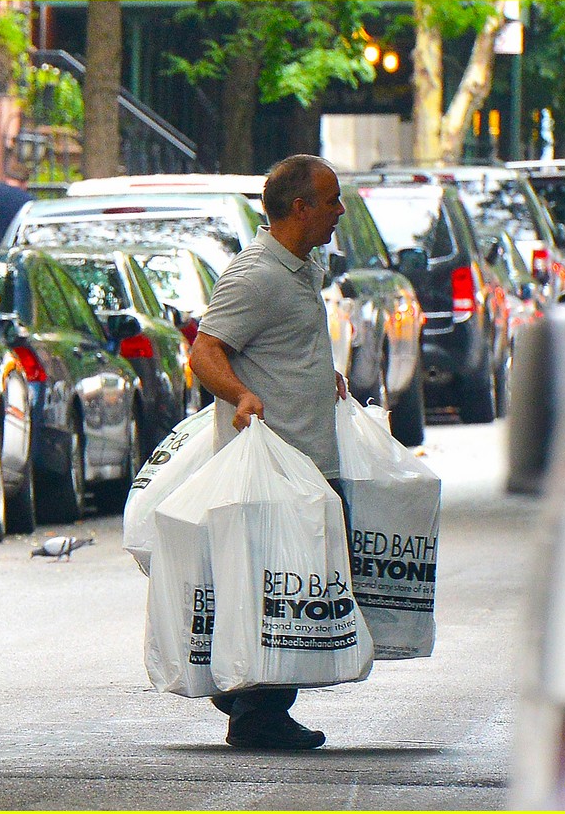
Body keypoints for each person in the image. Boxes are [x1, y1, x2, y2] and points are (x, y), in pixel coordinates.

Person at [188, 153, 350, 751]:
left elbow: (283, 342)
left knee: (302, 580)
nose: (339, 210)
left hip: (309, 456)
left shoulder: (302, 266)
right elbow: (206, 353)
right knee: (283, 585)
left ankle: (248, 697)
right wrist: (241, 393)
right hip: (273, 463)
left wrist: (319, 375)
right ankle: (255, 711)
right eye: (331, 200)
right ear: (301, 207)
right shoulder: (254, 274)